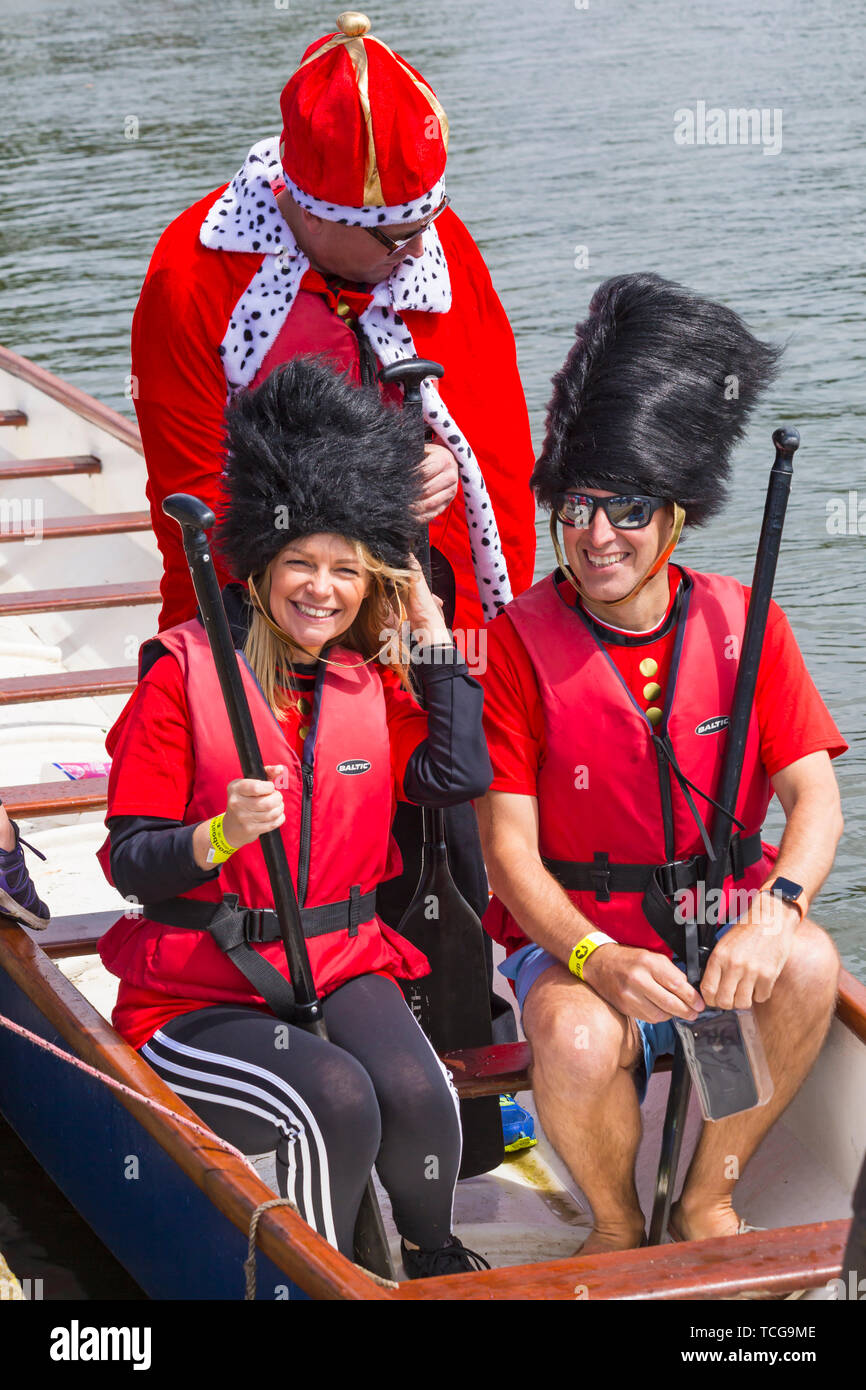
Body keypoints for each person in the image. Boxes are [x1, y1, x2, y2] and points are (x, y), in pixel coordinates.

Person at [130, 7, 535, 1049]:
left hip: (412, 607)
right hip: (271, 610)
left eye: (420, 228)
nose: (413, 251)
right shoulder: (194, 277)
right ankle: (266, 1040)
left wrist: (457, 466)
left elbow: (496, 428)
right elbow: (191, 495)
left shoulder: (431, 242)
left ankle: (450, 1064)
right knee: (292, 835)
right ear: (304, 208)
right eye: (389, 235)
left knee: (439, 824)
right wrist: (354, 521)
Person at [96, 358, 493, 1277]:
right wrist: (219, 835)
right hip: (203, 986)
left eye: (347, 572)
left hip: (343, 959)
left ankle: (433, 1258)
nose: (322, 589)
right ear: (262, 569)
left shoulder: (365, 680)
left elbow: (457, 770)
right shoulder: (179, 676)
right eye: (301, 566)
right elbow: (130, 862)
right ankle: (332, 1279)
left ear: (371, 586)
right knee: (337, 1099)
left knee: (420, 1098)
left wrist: (429, 624)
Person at [476, 273, 846, 1253]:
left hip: (711, 919)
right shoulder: (513, 644)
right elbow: (508, 853)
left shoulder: (744, 621)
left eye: (626, 507)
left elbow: (813, 795)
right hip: (576, 935)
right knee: (576, 1034)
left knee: (808, 963)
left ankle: (703, 1197)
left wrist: (775, 907)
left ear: (675, 513)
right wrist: (594, 957)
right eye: (575, 506)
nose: (595, 535)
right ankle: (613, 1222)